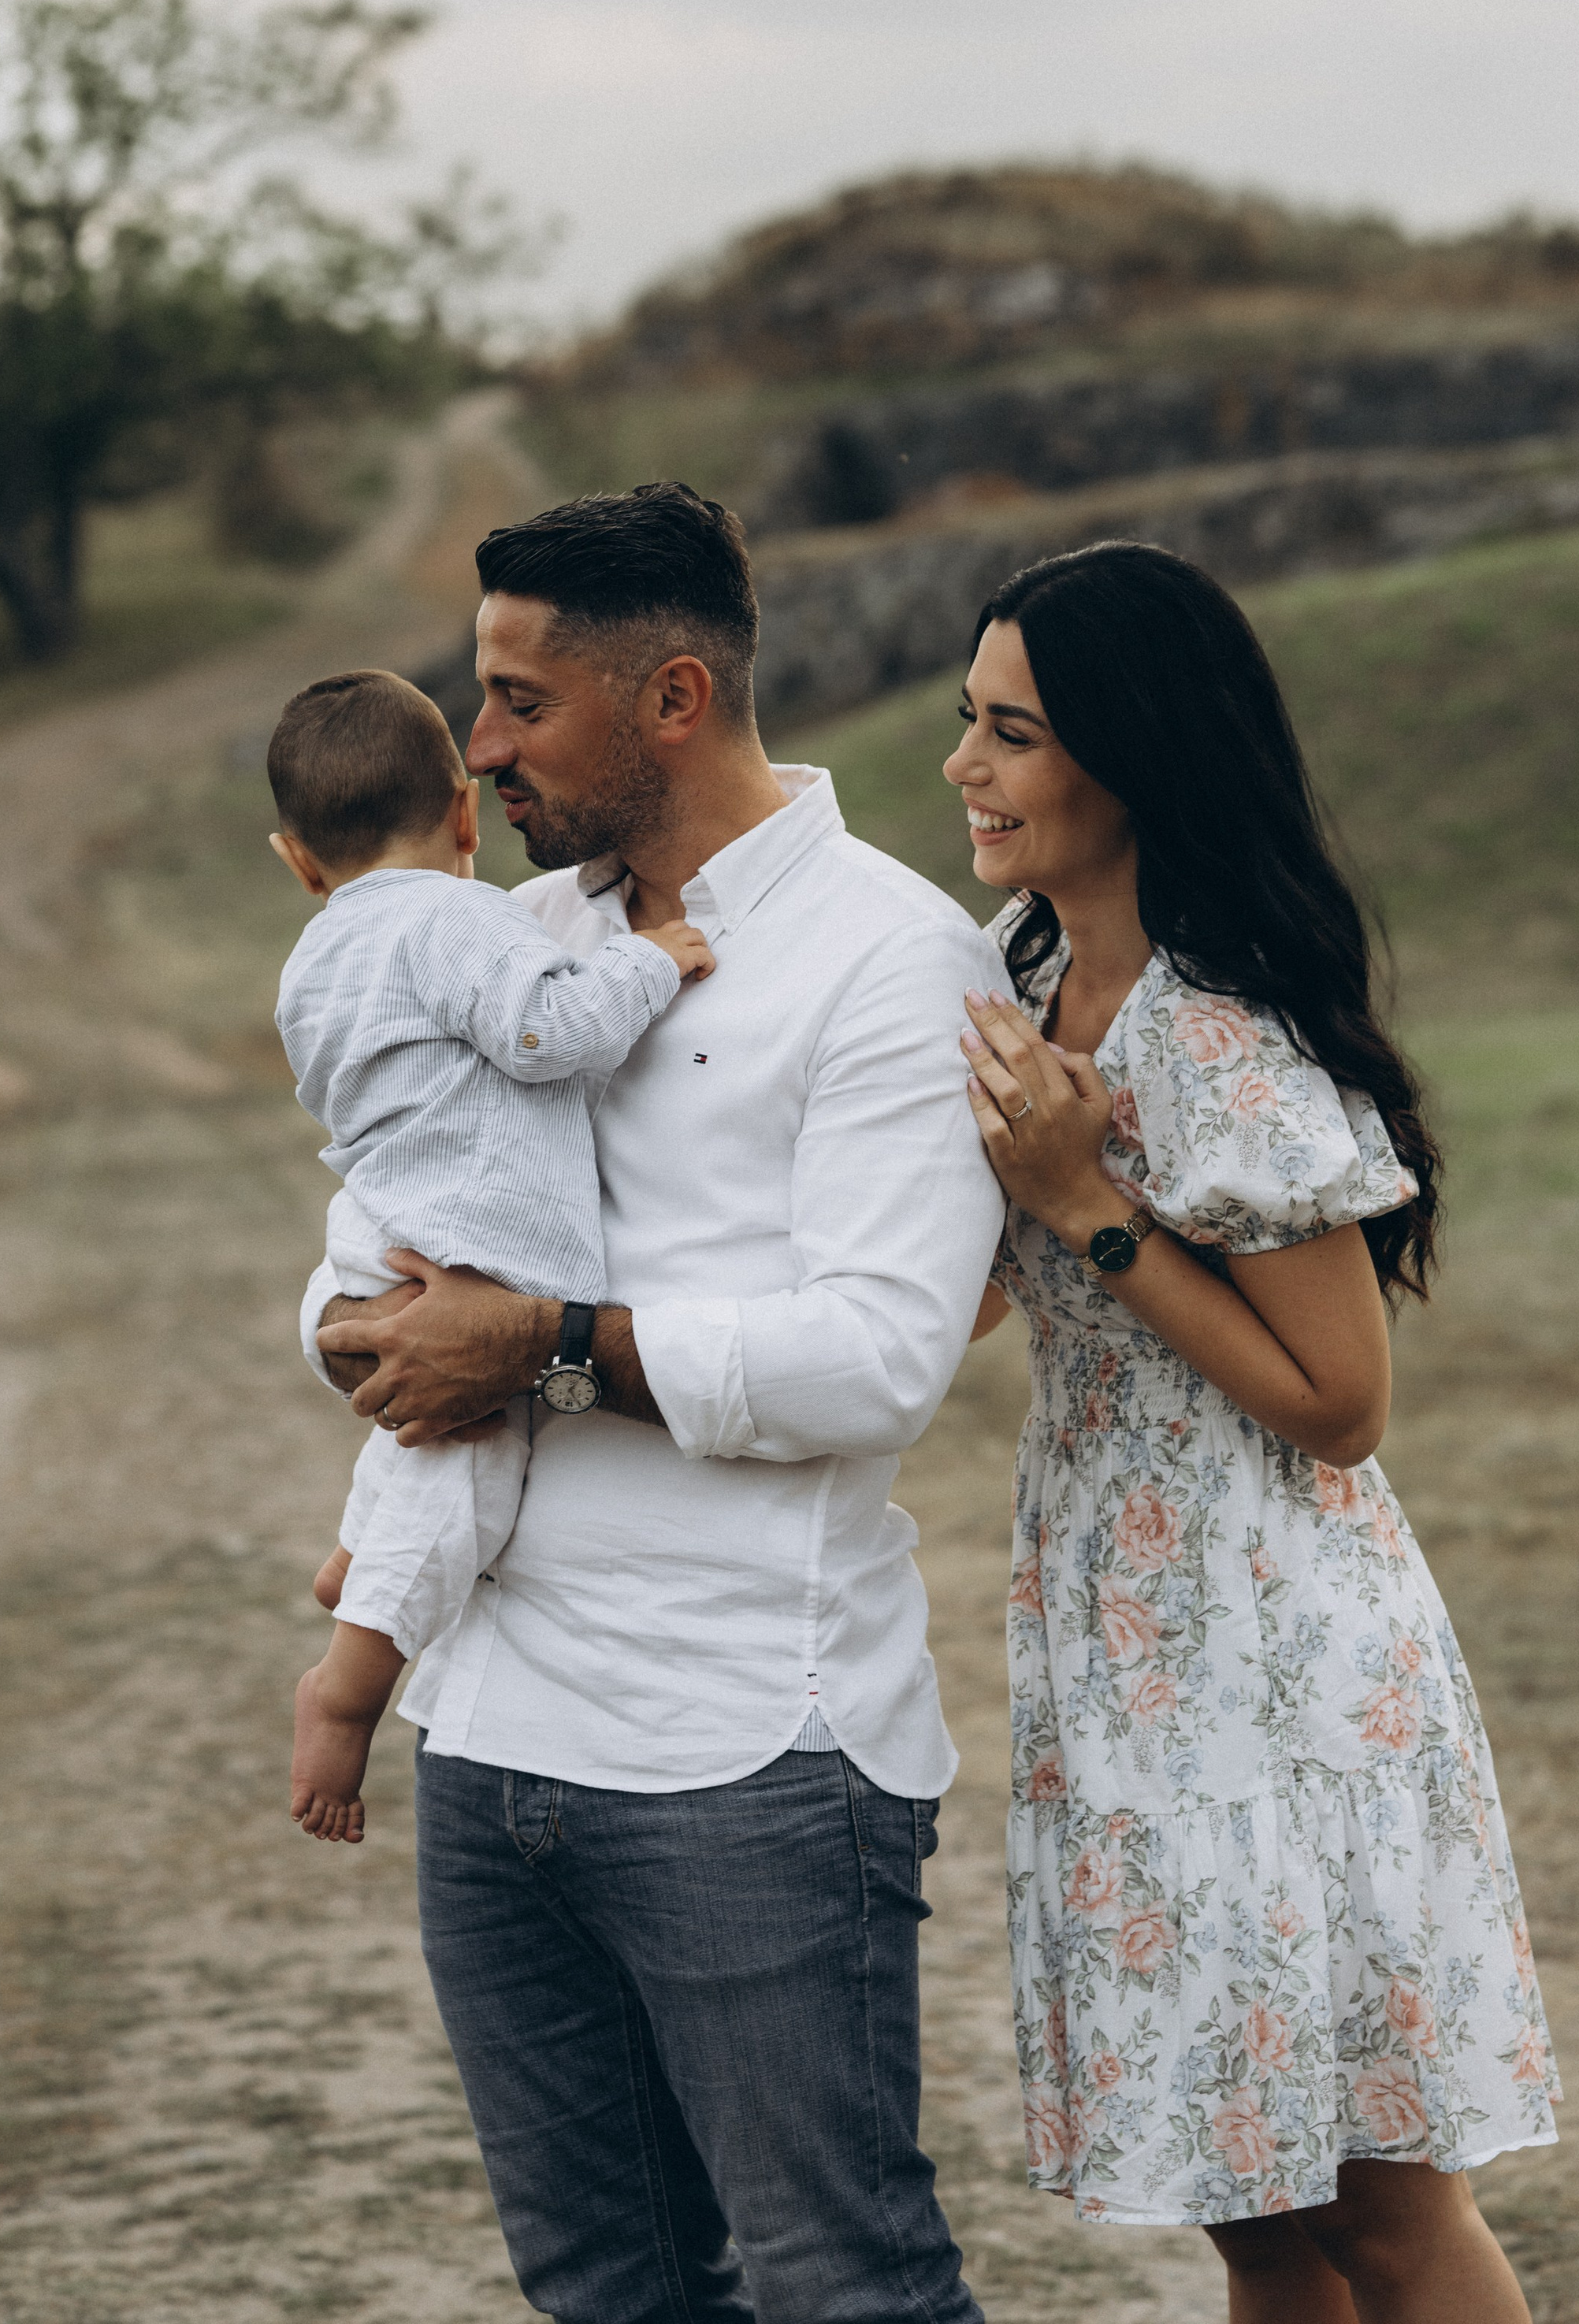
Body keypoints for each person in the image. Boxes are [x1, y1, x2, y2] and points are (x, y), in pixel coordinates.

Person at [305, 482, 1008, 2324]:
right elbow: (363, 1228)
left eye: (523, 702)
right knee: (601, 2289)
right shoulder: (510, 938)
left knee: (840, 2284)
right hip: (485, 1732)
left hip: (745, 1754)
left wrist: (536, 1342)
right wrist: (351, 1334)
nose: (478, 748)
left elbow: (869, 1360)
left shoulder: (888, 958)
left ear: (671, 699)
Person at [946, 540, 1557, 2323]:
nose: (966, 772)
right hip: (1112, 1650)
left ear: (1131, 758)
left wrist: (1084, 1204)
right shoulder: (1022, 966)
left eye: (1012, 736)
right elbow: (984, 1287)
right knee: (1252, 2209)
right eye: (967, 726)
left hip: (1276, 1661)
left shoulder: (1222, 1040)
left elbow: (1340, 1406)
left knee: (1376, 2205)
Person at [265, 666, 713, 1843]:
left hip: (381, 1243)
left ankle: (361, 1553)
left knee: (425, 1451)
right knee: (472, 1461)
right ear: (465, 814)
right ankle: (347, 1690)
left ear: (295, 860)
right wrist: (657, 960)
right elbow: (546, 1031)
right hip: (466, 1258)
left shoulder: (313, 959)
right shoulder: (458, 918)